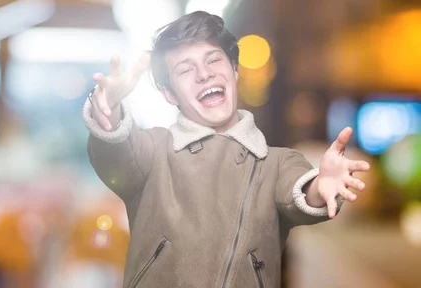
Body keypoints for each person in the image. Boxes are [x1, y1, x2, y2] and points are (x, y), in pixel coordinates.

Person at [82, 11, 370, 288]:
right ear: (169, 94)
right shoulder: (153, 151)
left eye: (213, 60)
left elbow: (299, 194)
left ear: (234, 70)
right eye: (185, 69)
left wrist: (322, 185)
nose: (204, 74)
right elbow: (119, 157)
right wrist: (109, 111)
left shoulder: (276, 163)